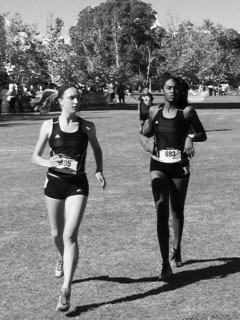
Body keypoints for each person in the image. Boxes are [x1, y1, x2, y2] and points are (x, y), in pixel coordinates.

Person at [32, 84, 106, 312]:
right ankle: (62, 258)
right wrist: (48, 162)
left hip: (77, 185)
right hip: (54, 183)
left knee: (70, 235)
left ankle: (66, 290)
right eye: (72, 98)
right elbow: (35, 156)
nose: (76, 102)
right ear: (61, 101)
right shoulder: (48, 126)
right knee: (56, 234)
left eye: (78, 98)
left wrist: (98, 170)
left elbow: (97, 149)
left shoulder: (87, 127)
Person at [142, 75, 207, 280]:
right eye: (168, 88)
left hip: (179, 167)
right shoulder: (154, 111)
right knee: (161, 210)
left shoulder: (186, 112)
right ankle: (164, 264)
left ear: (180, 91)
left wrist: (190, 137)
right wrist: (144, 137)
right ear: (162, 90)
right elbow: (145, 132)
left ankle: (176, 248)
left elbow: (202, 134)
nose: (172, 91)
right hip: (158, 165)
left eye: (175, 88)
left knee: (176, 210)